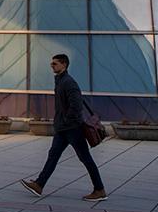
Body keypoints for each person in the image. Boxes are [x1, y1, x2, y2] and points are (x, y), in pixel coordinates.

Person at [20, 53, 107, 201]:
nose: (51, 66)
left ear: (64, 65)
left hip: (73, 129)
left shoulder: (68, 82)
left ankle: (99, 190)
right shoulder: (60, 81)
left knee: (85, 158)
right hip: (63, 128)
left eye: (55, 63)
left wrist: (67, 121)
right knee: (53, 155)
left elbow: (77, 105)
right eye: (51, 63)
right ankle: (39, 185)